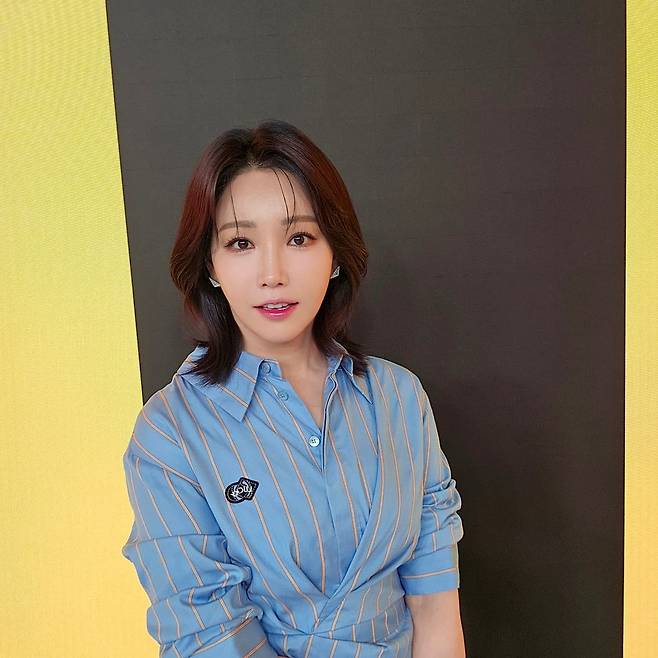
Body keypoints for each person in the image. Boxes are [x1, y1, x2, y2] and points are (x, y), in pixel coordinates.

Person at [120, 119, 466, 657]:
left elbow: (435, 609)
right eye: (240, 243)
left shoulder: (400, 399)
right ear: (211, 265)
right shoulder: (170, 433)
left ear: (335, 255)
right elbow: (210, 635)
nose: (273, 273)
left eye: (300, 238)